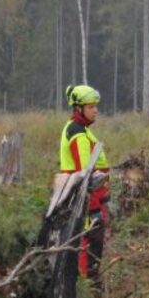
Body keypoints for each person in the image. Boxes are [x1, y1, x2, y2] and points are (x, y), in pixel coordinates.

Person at [58, 84, 110, 287]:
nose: (95, 110)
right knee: (90, 242)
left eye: (95, 106)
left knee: (90, 241)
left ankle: (88, 282)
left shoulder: (82, 129)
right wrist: (95, 207)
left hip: (93, 197)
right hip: (85, 199)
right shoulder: (78, 133)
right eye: (90, 107)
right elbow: (85, 176)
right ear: (79, 108)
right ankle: (90, 287)